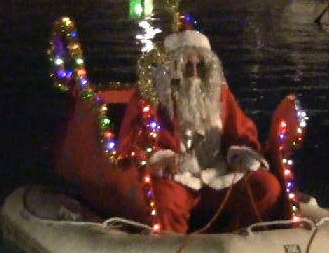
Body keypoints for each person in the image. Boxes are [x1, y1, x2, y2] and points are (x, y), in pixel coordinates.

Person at [117, 28, 287, 234]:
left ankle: (234, 239)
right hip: (176, 178)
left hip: (218, 174)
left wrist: (241, 156)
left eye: (201, 66)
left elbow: (242, 133)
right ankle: (171, 249)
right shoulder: (152, 97)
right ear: (174, 68)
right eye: (188, 66)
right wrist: (161, 158)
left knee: (266, 187)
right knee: (164, 201)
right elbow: (133, 143)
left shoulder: (220, 95)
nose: (195, 73)